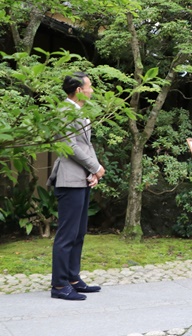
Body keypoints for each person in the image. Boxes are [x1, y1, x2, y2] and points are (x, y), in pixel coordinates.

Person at [47, 72, 105, 301]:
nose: (92, 90)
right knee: (67, 234)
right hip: (69, 180)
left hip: (82, 177)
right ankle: (59, 286)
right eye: (90, 86)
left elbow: (86, 145)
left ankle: (72, 278)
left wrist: (95, 170)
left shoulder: (81, 111)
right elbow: (71, 146)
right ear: (79, 90)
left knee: (79, 232)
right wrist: (95, 166)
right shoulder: (64, 111)